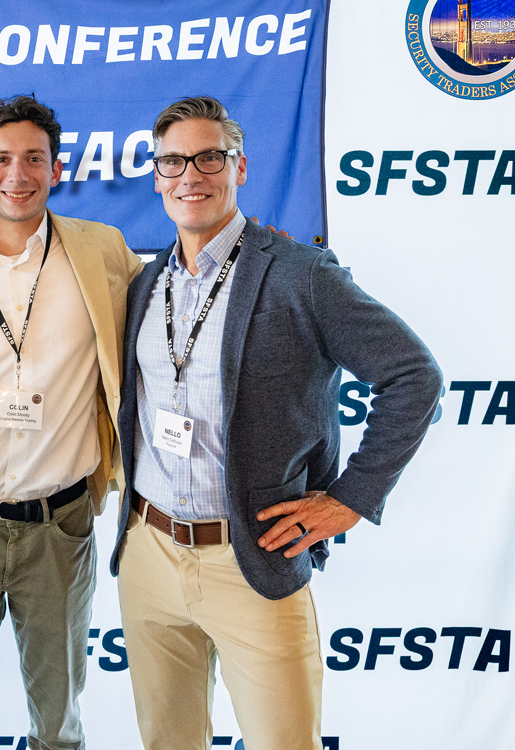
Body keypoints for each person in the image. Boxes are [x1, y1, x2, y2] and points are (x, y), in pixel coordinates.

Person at [110, 96, 442, 750]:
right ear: (156, 176)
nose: (190, 175)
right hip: (149, 554)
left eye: (209, 158)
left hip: (252, 559)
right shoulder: (145, 284)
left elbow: (414, 375)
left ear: (239, 167)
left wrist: (351, 498)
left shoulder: (300, 274)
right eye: (173, 161)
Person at [0, 95, 141, 750]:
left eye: (34, 159)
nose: (18, 174)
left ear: (56, 168)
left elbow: (172, 305)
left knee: (59, 726)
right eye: (2, 159)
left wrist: (256, 258)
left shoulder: (104, 251)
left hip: (61, 526)